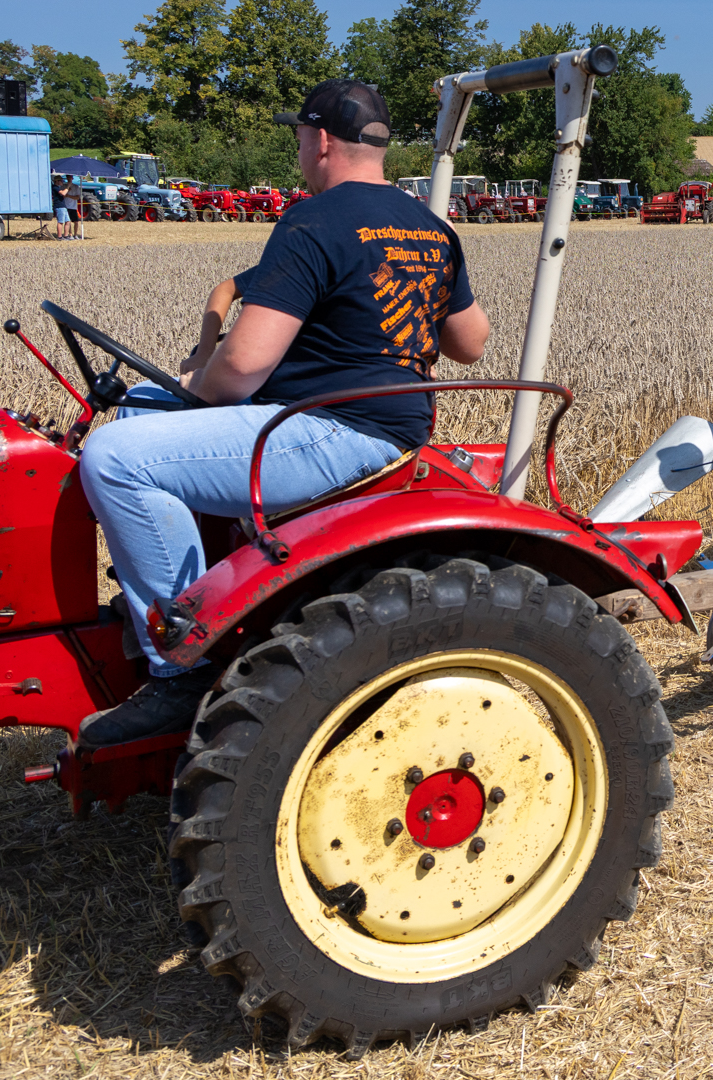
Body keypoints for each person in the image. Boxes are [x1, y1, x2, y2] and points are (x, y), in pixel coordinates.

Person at [74, 79, 490, 745]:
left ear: (321, 140)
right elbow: (471, 343)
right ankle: (176, 599)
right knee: (134, 414)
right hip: (380, 420)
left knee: (114, 458)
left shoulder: (313, 221)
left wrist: (196, 382)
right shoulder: (430, 226)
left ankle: (181, 663)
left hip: (332, 429)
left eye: (299, 136)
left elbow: (241, 368)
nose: (299, 148)